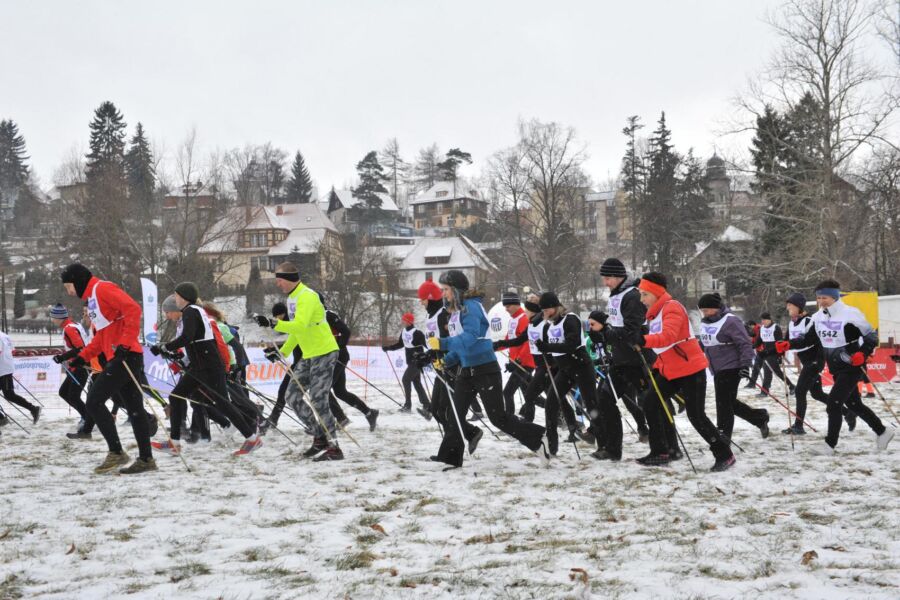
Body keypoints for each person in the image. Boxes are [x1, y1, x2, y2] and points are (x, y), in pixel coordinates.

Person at [426, 270, 549, 468]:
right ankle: (451, 457)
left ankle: (538, 437)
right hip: (467, 370)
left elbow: (471, 337)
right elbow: (462, 346)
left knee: (498, 418)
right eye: (443, 290)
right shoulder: (457, 312)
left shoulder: (471, 307)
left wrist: (441, 343)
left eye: (446, 289)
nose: (444, 294)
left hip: (485, 369)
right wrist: (447, 360)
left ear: (456, 290)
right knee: (455, 414)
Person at [776, 279, 893, 453]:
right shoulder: (817, 317)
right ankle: (882, 432)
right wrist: (789, 344)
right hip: (836, 367)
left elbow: (870, 337)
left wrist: (863, 353)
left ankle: (830, 444)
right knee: (853, 403)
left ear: (834, 297)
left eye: (825, 297)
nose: (821, 301)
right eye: (819, 298)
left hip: (852, 365)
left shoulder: (850, 314)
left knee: (833, 404)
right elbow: (809, 339)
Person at [59, 263, 156, 474]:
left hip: (125, 355)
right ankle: (146, 460)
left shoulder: (102, 288)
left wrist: (124, 343)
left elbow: (133, 308)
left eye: (69, 286)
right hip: (121, 355)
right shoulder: (93, 298)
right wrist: (82, 356)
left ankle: (116, 453)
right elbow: (102, 336)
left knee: (94, 401)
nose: (69, 292)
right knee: (135, 409)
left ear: (78, 280)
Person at [636, 272, 735, 472]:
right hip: (670, 369)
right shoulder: (654, 314)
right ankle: (660, 451)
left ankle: (725, 454)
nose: (641, 299)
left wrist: (644, 340)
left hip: (690, 368)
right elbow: (661, 347)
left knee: (696, 415)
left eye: (644, 294)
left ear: (656, 293)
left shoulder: (672, 307)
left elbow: (669, 337)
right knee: (650, 402)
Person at [151, 283, 261, 457]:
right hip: (202, 365)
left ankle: (252, 437)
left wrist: (165, 347)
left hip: (207, 365)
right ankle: (175, 442)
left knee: (220, 402)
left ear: (185, 297)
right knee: (181, 396)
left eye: (177, 295)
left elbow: (187, 338)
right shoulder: (196, 311)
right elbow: (192, 338)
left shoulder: (190, 311)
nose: (175, 298)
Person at [256, 262, 343, 461]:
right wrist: (281, 352)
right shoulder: (292, 298)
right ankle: (319, 436)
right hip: (308, 354)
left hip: (325, 351)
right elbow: (296, 331)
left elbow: (301, 325)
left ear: (288, 279)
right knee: (292, 395)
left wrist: (273, 322)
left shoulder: (308, 296)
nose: (278, 284)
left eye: (279, 280)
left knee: (318, 399)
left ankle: (335, 447)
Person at [589, 258, 654, 461]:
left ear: (618, 277)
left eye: (608, 278)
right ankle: (612, 449)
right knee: (605, 401)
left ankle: (666, 445)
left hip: (636, 359)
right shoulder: (616, 295)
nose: (605, 282)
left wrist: (606, 332)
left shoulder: (632, 296)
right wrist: (600, 335)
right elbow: (615, 325)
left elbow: (631, 330)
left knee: (649, 403)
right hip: (619, 360)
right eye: (604, 278)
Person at [414, 279, 483, 464]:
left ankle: (456, 448)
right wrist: (427, 355)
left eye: (422, 299)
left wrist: (437, 356)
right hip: (440, 365)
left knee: (446, 411)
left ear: (429, 298)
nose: (421, 302)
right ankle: (461, 439)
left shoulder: (442, 314)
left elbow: (451, 340)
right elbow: (434, 340)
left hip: (451, 365)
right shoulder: (431, 316)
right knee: (437, 410)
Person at [534, 292, 601, 456]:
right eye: (542, 310)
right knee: (551, 402)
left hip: (581, 366)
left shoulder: (570, 319)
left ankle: (604, 442)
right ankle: (552, 444)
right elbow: (553, 348)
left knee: (591, 405)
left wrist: (547, 348)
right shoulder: (551, 324)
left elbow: (571, 344)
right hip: (565, 370)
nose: (544, 313)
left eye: (546, 309)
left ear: (554, 307)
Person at [697, 293, 769, 440]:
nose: (704, 313)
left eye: (707, 310)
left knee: (723, 402)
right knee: (729, 402)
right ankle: (759, 417)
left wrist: (745, 365)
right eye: (702, 310)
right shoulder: (705, 322)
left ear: (716, 308)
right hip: (716, 367)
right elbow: (704, 342)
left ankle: (723, 435)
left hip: (732, 366)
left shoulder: (731, 321)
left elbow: (744, 343)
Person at [492, 291, 536, 415]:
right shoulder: (513, 320)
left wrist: (518, 361)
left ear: (516, 304)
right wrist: (496, 346)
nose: (506, 309)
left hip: (524, 363)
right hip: (517, 362)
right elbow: (509, 340)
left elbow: (527, 343)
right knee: (530, 394)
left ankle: (510, 423)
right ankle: (558, 414)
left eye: (508, 306)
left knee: (507, 392)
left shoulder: (523, 319)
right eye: (505, 306)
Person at [50, 303, 89, 437]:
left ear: (59, 317)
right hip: (75, 366)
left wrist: (62, 357)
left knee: (73, 395)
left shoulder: (69, 328)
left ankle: (88, 418)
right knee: (64, 392)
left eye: (53, 317)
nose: (52, 320)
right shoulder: (72, 324)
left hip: (80, 366)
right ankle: (86, 416)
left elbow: (80, 348)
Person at [382, 313, 430, 415]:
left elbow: (428, 346)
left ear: (409, 321)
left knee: (406, 379)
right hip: (410, 362)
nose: (402, 321)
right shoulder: (404, 331)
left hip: (417, 362)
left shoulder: (417, 333)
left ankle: (408, 405)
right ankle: (426, 404)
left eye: (404, 320)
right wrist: (388, 348)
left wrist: (427, 356)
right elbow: (400, 344)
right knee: (417, 383)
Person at [0, 330, 41, 425]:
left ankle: (33, 409)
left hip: (3, 370)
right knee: (9, 395)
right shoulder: (5, 335)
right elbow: (13, 351)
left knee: (9, 395)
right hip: (6, 368)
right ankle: (1, 418)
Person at [757, 312, 795, 396]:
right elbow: (759, 341)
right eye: (762, 320)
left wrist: (780, 355)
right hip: (766, 353)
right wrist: (751, 346)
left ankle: (765, 391)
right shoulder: (762, 328)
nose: (762, 321)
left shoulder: (776, 328)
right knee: (772, 372)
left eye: (764, 320)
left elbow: (779, 343)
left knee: (772, 371)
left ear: (769, 320)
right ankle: (791, 386)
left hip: (774, 353)